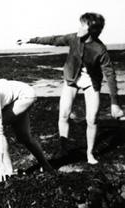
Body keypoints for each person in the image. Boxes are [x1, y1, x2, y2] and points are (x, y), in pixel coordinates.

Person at [17, 12, 125, 164]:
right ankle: (64, 148)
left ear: (91, 29)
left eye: (83, 25)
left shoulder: (100, 49)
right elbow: (54, 40)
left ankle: (90, 153)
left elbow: (110, 74)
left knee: (92, 120)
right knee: (63, 115)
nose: (79, 27)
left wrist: (114, 102)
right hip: (71, 80)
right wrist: (30, 40)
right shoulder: (73, 38)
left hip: (91, 83)